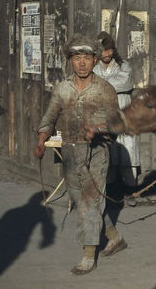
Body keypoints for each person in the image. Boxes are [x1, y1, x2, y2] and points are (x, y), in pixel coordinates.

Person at [33, 34, 127, 276]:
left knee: (89, 202)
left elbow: (118, 125)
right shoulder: (63, 89)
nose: (82, 63)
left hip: (97, 152)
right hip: (70, 152)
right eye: (77, 58)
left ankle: (88, 256)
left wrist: (98, 129)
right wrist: (42, 138)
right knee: (83, 202)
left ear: (95, 60)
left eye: (87, 58)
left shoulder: (105, 89)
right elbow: (50, 117)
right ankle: (114, 238)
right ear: (70, 61)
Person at [94, 31, 141, 190]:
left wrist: (102, 84)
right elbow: (93, 84)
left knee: (128, 148)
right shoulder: (94, 67)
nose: (106, 54)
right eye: (102, 50)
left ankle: (130, 188)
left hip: (123, 112)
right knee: (108, 149)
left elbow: (125, 83)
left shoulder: (123, 65)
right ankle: (111, 189)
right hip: (104, 114)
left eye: (109, 49)